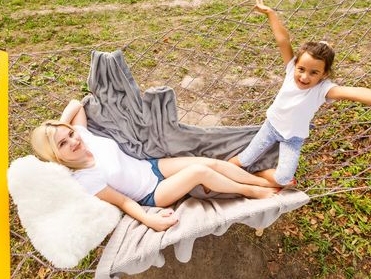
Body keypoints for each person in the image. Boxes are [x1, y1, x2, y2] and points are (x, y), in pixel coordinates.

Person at [229, 0, 371, 188]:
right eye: (302, 69)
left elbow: (360, 93)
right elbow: (283, 40)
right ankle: (231, 174)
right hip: (270, 128)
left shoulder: (323, 89)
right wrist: (270, 13)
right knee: (242, 160)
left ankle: (254, 177)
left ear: (324, 74)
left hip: (293, 138)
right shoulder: (290, 70)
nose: (305, 77)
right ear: (295, 64)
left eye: (314, 73)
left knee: (284, 178)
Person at [30, 99, 277, 232]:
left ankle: (260, 180)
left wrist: (57, 129)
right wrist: (150, 221)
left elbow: (76, 103)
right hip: (151, 194)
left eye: (70, 134)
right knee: (199, 172)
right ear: (55, 155)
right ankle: (253, 192)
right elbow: (124, 202)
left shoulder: (85, 137)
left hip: (151, 166)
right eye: (63, 144)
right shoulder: (84, 178)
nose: (73, 141)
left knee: (208, 161)